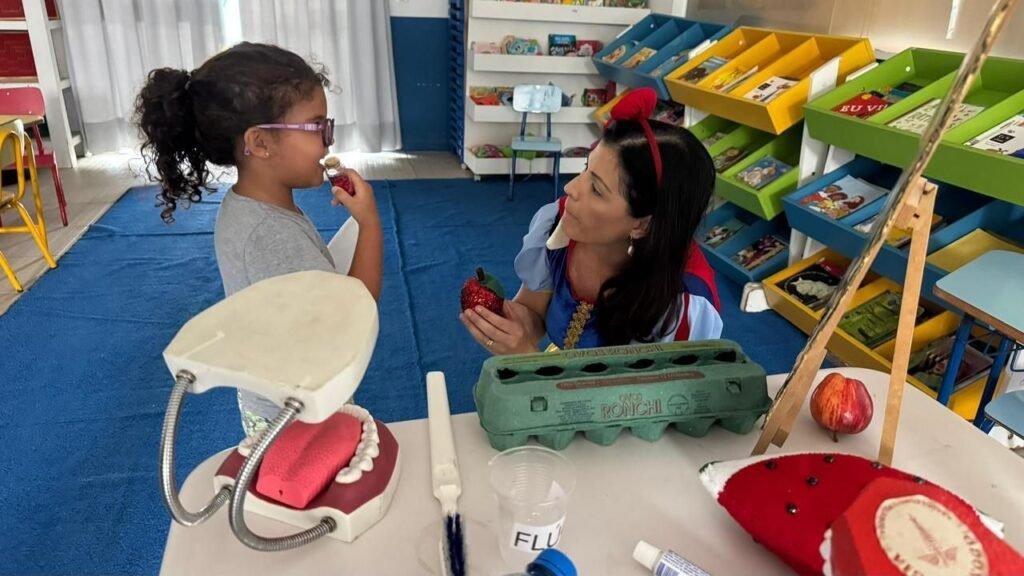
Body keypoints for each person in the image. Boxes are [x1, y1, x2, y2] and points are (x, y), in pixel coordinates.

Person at [134, 42, 383, 437]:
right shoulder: (271, 235)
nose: (328, 141)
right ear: (260, 143)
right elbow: (353, 316)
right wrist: (369, 223)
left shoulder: (247, 206)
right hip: (299, 420)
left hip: (275, 407)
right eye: (317, 127)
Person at [460, 88, 722, 354]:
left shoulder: (682, 304)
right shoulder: (559, 226)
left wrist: (526, 357)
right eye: (586, 168)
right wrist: (511, 323)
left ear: (642, 224)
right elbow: (535, 310)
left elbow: (646, 384)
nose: (570, 188)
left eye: (596, 189)